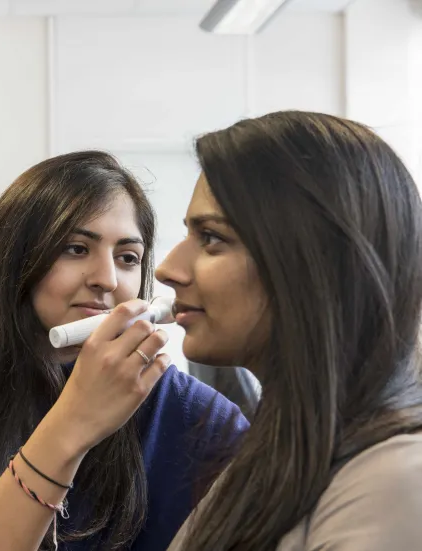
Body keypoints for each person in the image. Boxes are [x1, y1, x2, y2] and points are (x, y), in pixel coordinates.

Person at [0, 151, 249, 551]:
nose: (106, 279)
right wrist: (73, 422)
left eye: (127, 258)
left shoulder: (200, 416)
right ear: (13, 259)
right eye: (76, 249)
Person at [160, 111, 422, 550]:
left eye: (212, 238)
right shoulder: (272, 456)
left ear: (310, 260)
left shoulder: (392, 481)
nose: (169, 269)